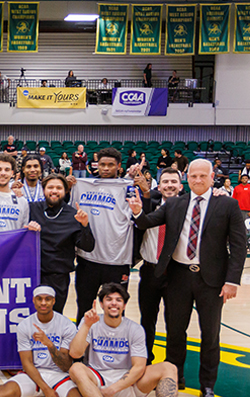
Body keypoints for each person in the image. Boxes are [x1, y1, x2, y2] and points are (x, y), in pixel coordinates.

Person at [128, 159, 246, 397]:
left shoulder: (228, 204)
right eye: (194, 176)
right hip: (178, 276)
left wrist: (232, 280)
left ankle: (207, 386)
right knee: (175, 331)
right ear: (187, 177)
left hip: (211, 280)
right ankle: (174, 377)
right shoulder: (175, 204)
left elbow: (238, 246)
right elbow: (147, 223)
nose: (198, 180)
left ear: (212, 177)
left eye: (203, 176)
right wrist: (138, 211)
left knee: (210, 334)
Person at [68, 283, 200, 397]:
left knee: (169, 367)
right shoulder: (91, 322)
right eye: (108, 299)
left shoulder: (134, 329)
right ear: (101, 304)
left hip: (126, 382)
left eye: (118, 299)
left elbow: (139, 367)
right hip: (97, 381)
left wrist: (113, 389)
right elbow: (75, 353)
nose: (114, 303)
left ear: (124, 305)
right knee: (76, 368)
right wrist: (87, 325)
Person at [70, 147, 143, 325]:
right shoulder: (81, 186)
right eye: (102, 164)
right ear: (96, 166)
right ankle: (81, 351)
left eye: (111, 165)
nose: (106, 168)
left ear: (118, 167)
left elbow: (141, 215)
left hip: (116, 261)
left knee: (116, 310)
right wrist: (68, 186)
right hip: (87, 259)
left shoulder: (128, 188)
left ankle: (116, 348)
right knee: (84, 307)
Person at [28, 174, 94, 314]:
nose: (54, 191)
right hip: (32, 274)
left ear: (65, 191)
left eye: (59, 188)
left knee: (54, 315)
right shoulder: (31, 209)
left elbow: (88, 246)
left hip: (58, 277)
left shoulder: (74, 215)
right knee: (29, 315)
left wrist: (84, 225)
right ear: (43, 189)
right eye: (50, 187)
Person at [135, 169, 181, 365]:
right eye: (165, 182)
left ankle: (174, 367)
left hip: (177, 272)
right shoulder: (150, 203)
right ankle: (145, 362)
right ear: (159, 186)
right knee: (147, 320)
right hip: (150, 269)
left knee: (176, 322)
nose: (169, 185)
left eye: (173, 181)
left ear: (180, 185)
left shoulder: (188, 207)